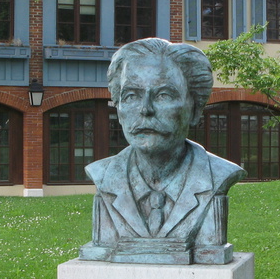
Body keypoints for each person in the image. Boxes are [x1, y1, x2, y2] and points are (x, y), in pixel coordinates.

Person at [79, 38, 245, 265]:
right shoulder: (103, 176)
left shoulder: (218, 176)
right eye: (131, 96)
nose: (145, 109)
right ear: (118, 110)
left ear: (195, 109)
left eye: (163, 95)